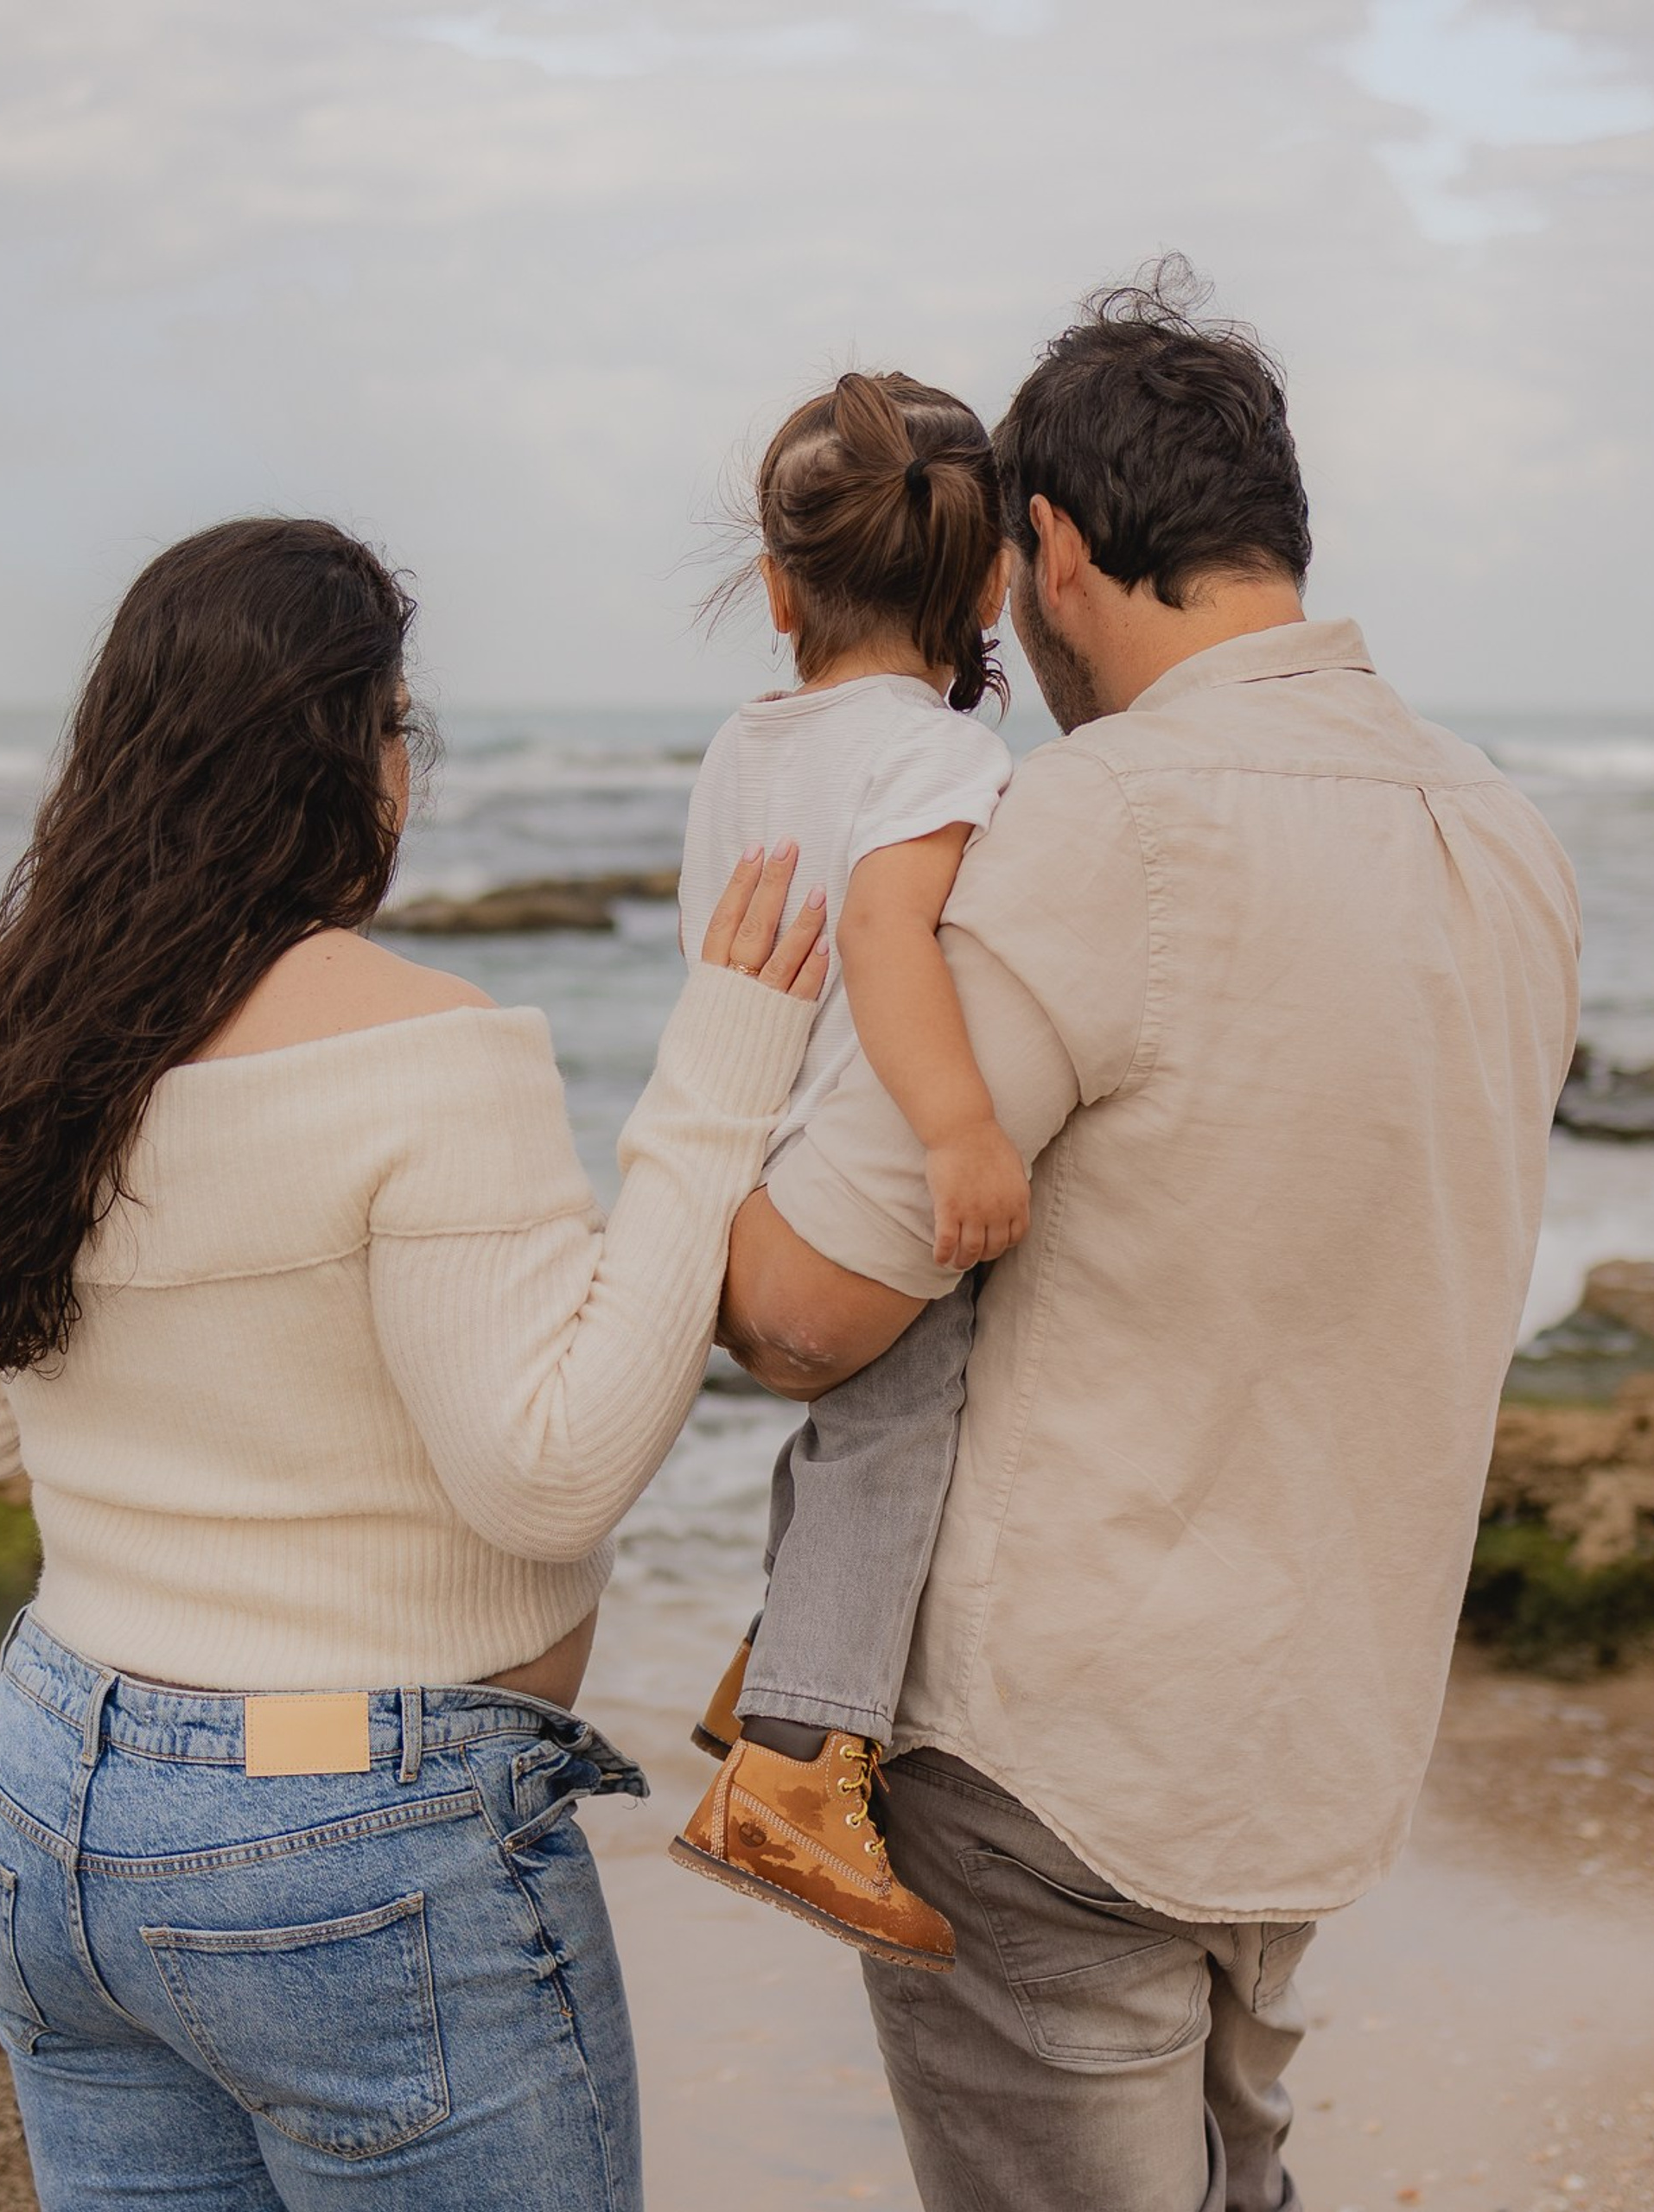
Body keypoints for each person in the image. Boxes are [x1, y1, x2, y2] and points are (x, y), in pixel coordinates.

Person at [718, 264, 1583, 2212]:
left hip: (1056, 1752)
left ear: (1051, 547)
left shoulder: (1099, 824)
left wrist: (694, 1143)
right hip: (1322, 1737)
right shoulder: (1505, 837)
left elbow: (798, 1308)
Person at [0, 517, 824, 2212]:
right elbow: (549, 1469)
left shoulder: (29, 1039)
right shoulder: (421, 1051)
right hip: (344, 1844)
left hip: (51, 1797)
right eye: (398, 731)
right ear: (353, 756)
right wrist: (716, 1079)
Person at [669, 370, 1026, 1973]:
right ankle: (802, 1766)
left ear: (774, 585)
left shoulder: (750, 747)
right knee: (912, 1398)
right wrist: (961, 1131)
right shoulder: (940, 757)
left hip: (726, 1219)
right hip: (823, 1238)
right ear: (996, 580)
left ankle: (776, 1660)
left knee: (854, 1421)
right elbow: (889, 935)